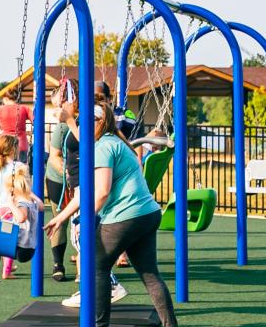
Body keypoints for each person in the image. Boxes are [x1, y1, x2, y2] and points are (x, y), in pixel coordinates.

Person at [45, 104, 177, 327]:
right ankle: (170, 325)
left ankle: (99, 324)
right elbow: (87, 190)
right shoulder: (114, 142)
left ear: (98, 123)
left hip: (126, 216)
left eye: (85, 123)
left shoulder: (104, 147)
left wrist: (86, 218)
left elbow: (102, 191)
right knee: (150, 274)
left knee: (95, 264)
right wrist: (62, 217)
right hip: (147, 214)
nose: (81, 128)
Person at [0, 164, 43, 296]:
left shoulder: (22, 204)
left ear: (13, 190)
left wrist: (11, 204)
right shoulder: (32, 203)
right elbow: (41, 205)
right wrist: (31, 194)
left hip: (21, 250)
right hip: (30, 249)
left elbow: (21, 217)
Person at [45, 79, 74, 282]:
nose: (56, 111)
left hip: (78, 178)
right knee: (60, 220)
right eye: (55, 106)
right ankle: (58, 263)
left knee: (82, 223)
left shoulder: (82, 122)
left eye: (59, 106)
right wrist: (68, 174)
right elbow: (54, 156)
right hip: (59, 178)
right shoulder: (61, 128)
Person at [0, 134, 22, 279]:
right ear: (12, 149)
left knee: (7, 234)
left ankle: (7, 267)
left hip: (2, 206)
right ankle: (6, 271)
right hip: (12, 207)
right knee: (11, 237)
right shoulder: (14, 168)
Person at [0, 91, 33, 164]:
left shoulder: (0, 109)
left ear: (5, 99)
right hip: (21, 145)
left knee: (3, 169)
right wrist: (28, 132)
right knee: (21, 171)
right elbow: (36, 122)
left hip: (5, 145)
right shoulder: (24, 108)